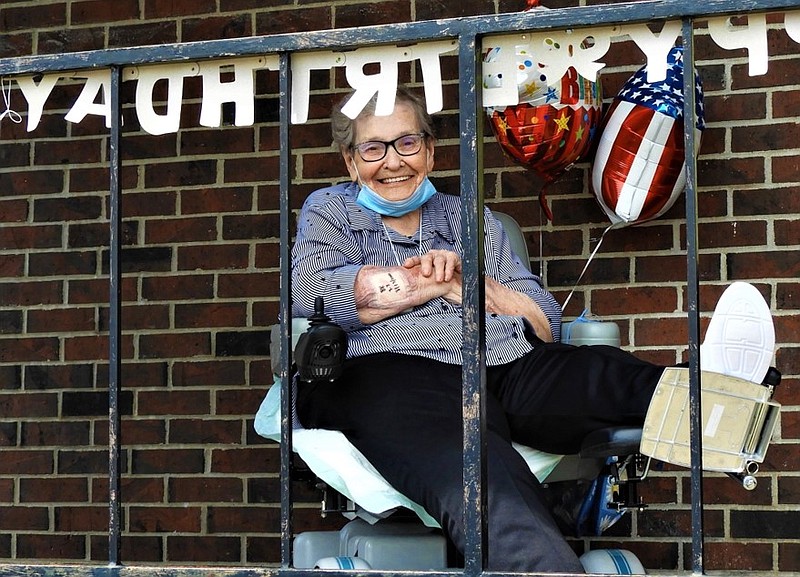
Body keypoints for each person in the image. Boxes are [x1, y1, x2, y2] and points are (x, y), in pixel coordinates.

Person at [290, 86, 775, 572]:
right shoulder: (330, 212)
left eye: (407, 143)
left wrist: (471, 284)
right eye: (374, 148)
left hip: (500, 357)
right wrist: (427, 282)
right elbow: (315, 292)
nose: (393, 161)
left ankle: (716, 392)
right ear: (351, 163)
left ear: (431, 150)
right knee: (477, 464)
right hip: (391, 368)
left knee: (595, 372)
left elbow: (543, 320)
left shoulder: (468, 219)